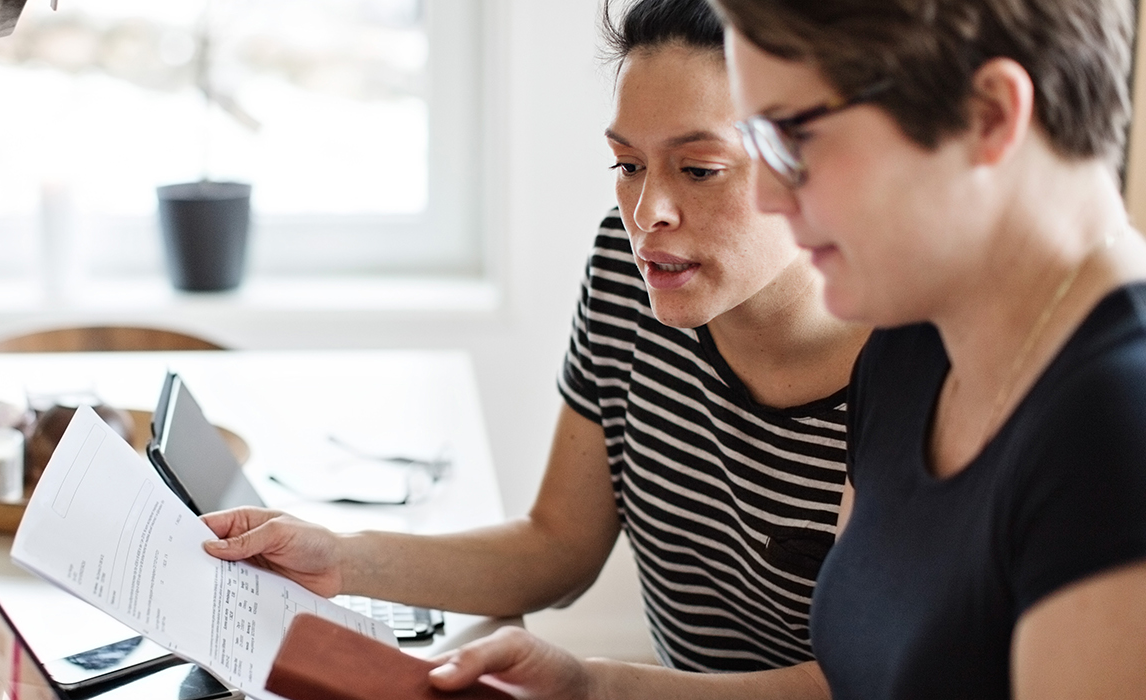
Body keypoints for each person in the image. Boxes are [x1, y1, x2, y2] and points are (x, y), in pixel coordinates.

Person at [422, 0, 1146, 698]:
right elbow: (848, 682)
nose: (769, 192)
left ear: (989, 115)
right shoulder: (908, 349)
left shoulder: (1117, 421)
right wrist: (590, 687)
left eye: (798, 137)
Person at [201, 0, 870, 675]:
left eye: (699, 169)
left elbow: (868, 682)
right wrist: (340, 556)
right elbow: (557, 547)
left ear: (807, 160)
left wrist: (592, 688)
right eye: (628, 165)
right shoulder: (629, 269)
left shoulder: (914, 362)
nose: (647, 214)